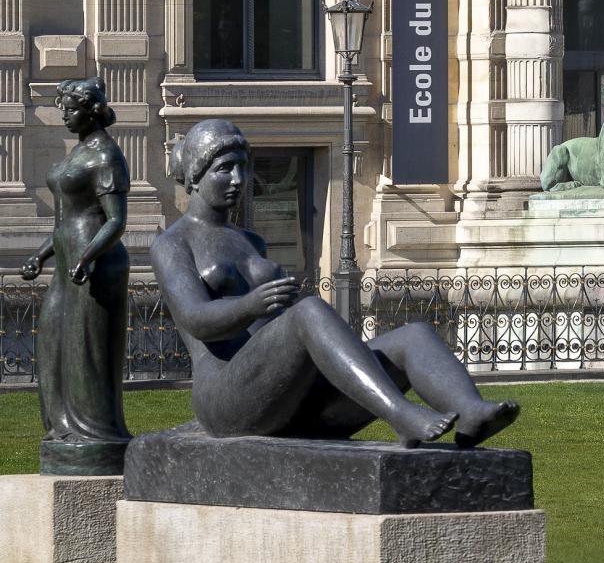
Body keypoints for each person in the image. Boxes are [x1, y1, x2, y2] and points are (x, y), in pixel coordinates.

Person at [152, 119, 518, 448]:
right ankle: (402, 416)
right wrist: (252, 305)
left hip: (291, 395)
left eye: (242, 167)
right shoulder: (172, 244)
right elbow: (194, 318)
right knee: (309, 312)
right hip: (227, 400)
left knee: (413, 336)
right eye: (224, 169)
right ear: (196, 177)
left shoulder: (251, 241)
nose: (238, 179)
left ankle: (471, 412)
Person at [23, 78, 133, 473]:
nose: (64, 115)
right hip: (69, 260)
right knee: (52, 346)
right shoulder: (78, 153)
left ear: (90, 111)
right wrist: (40, 255)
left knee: (87, 352)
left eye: (70, 109)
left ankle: (96, 434)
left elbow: (117, 221)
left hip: (96, 264)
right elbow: (64, 220)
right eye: (63, 109)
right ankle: (62, 429)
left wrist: (88, 256)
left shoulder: (106, 156)